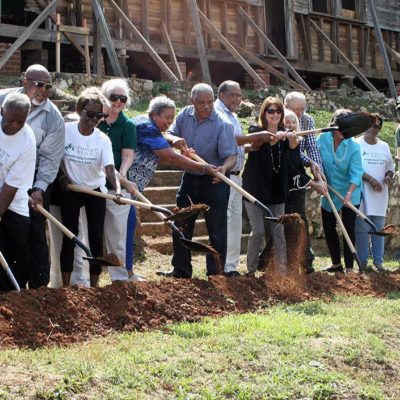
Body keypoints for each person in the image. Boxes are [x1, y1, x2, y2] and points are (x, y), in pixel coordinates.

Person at [126, 95, 218, 278]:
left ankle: (127, 271)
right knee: (126, 227)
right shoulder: (146, 127)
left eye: (171, 118)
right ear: (154, 114)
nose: (169, 122)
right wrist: (204, 168)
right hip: (124, 184)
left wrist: (176, 146)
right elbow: (171, 158)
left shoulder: (149, 126)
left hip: (131, 188)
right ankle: (126, 272)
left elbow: (161, 152)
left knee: (128, 225)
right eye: (166, 117)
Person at [156, 83, 237, 278]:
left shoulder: (222, 124)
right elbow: (168, 133)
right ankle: (181, 270)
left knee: (216, 230)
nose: (207, 106)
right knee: (181, 223)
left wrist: (223, 169)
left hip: (214, 181)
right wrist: (174, 140)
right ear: (192, 101)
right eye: (201, 102)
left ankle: (216, 273)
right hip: (190, 178)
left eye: (210, 102)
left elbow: (232, 156)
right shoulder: (184, 114)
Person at [0, 64, 65, 288]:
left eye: (47, 85)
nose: (43, 90)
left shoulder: (53, 118)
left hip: (34, 176)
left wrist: (39, 188)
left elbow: (50, 157)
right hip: (4, 169)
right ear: (24, 81)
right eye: (38, 84)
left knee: (33, 227)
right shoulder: (3, 100)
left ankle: (38, 286)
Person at [59, 88, 121, 287]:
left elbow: (110, 169)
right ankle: (66, 285)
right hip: (72, 189)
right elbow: (56, 157)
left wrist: (118, 190)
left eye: (100, 116)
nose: (94, 120)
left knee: (96, 237)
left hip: (94, 189)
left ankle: (94, 286)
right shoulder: (66, 131)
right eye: (90, 114)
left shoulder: (102, 139)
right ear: (80, 110)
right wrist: (63, 176)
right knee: (69, 234)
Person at [214, 81, 273, 277]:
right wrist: (254, 137)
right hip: (224, 175)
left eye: (239, 95)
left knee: (235, 223)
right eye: (233, 95)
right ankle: (221, 264)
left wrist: (252, 146)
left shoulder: (232, 115)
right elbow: (230, 138)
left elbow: (238, 145)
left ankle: (230, 266)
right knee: (225, 221)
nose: (237, 99)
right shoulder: (219, 113)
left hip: (236, 176)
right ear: (221, 95)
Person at [242, 96, 299, 276]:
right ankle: (250, 271)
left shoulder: (285, 132)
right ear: (264, 113)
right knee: (258, 231)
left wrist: (291, 139)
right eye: (271, 111)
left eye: (278, 111)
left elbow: (294, 151)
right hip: (255, 190)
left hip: (277, 190)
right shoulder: (256, 131)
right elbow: (258, 144)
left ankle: (281, 273)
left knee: (278, 233)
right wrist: (274, 139)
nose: (275, 115)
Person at [98, 78, 137, 282]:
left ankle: (119, 278)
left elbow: (128, 155)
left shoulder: (127, 125)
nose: (118, 102)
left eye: (123, 98)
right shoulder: (96, 119)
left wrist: (120, 177)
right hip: (94, 183)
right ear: (105, 96)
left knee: (117, 236)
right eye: (114, 97)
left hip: (117, 187)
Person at [317, 109, 363, 274]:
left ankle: (350, 267)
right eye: (341, 129)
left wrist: (349, 193)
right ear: (333, 128)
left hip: (351, 191)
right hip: (329, 190)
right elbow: (315, 160)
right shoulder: (322, 139)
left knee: (348, 228)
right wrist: (319, 177)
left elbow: (357, 172)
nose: (344, 133)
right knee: (329, 226)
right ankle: (336, 264)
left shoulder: (354, 146)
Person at [284, 91, 324, 273]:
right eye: (296, 109)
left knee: (301, 218)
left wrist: (318, 172)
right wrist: (309, 162)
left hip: (299, 176)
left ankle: (306, 261)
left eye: (302, 109)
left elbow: (312, 147)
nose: (299, 114)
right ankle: (283, 261)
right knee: (283, 218)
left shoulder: (307, 120)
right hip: (282, 176)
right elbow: (293, 150)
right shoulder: (281, 118)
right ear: (286, 107)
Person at [0, 93, 36, 291]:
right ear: (1, 112)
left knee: (15, 253)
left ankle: (17, 302)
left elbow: (11, 187)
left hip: (13, 202)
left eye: (19, 122)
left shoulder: (27, 141)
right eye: (10, 120)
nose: (14, 126)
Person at [355, 114, 394, 271]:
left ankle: (378, 262)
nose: (373, 128)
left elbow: (390, 168)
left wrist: (388, 177)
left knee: (379, 228)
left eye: (377, 126)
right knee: (362, 229)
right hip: (362, 193)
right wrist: (370, 179)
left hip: (380, 194)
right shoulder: (356, 144)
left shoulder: (384, 146)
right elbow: (355, 167)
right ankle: (363, 263)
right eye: (371, 125)